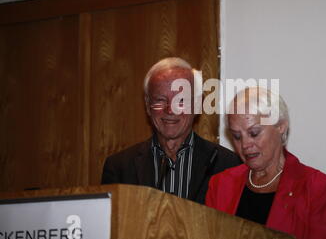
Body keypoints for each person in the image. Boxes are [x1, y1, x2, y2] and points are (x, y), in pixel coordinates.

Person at [205, 87, 326, 239]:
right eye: (237, 137)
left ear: (281, 126)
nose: (245, 145)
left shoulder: (318, 190)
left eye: (254, 133)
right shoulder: (220, 184)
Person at [101, 57, 241, 204]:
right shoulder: (119, 167)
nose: (170, 110)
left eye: (180, 100)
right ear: (148, 105)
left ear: (198, 105)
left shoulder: (228, 165)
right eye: (160, 100)